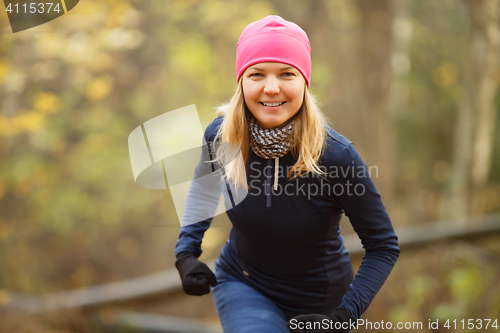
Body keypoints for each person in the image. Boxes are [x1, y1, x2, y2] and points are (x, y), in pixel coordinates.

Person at [174, 15, 400, 333]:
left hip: (324, 307)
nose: (271, 88)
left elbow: (383, 246)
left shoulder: (336, 156)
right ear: (241, 81)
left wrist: (344, 316)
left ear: (303, 81)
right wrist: (186, 252)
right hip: (244, 283)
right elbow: (204, 189)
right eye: (256, 74)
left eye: (286, 74)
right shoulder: (221, 137)